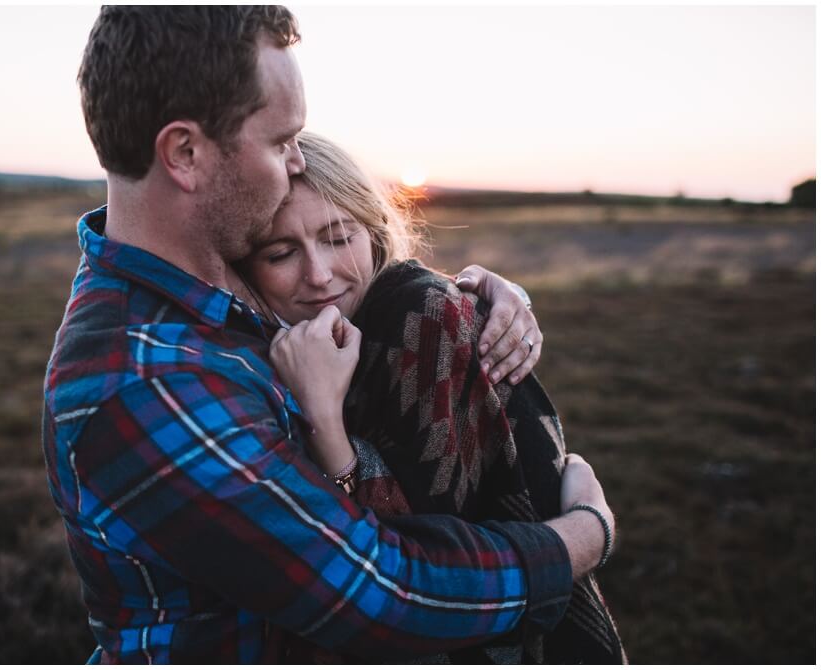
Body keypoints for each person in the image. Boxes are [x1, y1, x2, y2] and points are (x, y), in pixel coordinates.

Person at [44, 6, 616, 663]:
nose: (295, 164)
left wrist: (461, 301)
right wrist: (583, 537)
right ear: (185, 153)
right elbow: (386, 596)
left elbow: (346, 289)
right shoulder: (143, 379)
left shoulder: (210, 281)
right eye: (281, 140)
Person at [243, 131, 626, 663]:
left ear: (373, 231)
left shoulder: (422, 318)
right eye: (281, 253)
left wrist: (323, 420)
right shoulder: (279, 341)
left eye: (338, 238)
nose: (319, 274)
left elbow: (412, 559)